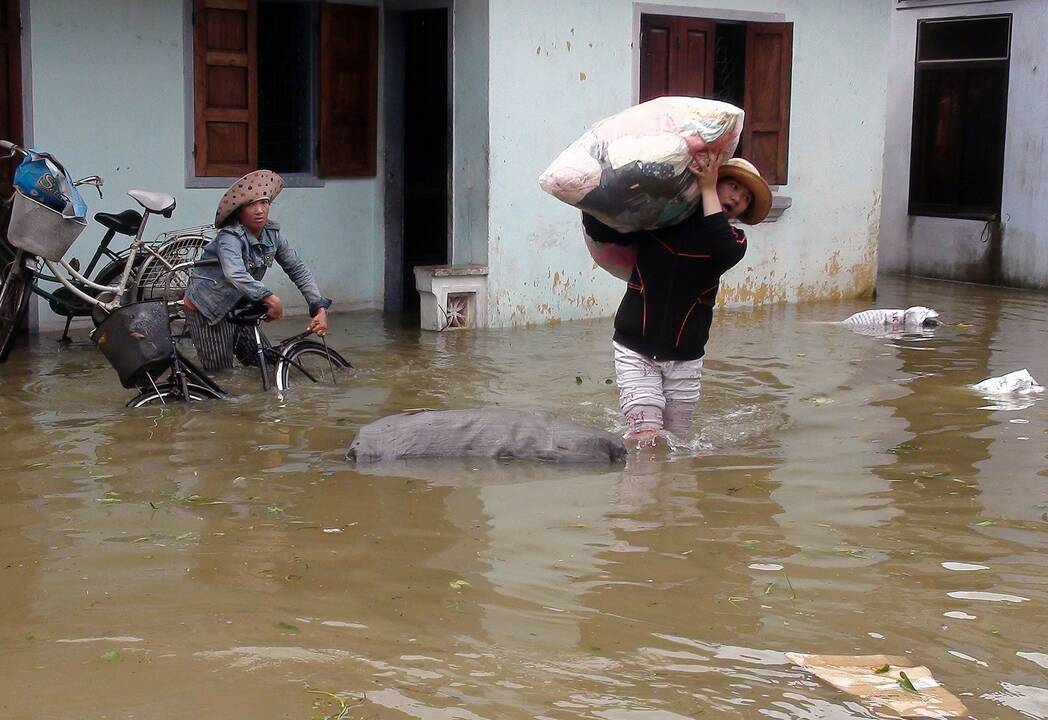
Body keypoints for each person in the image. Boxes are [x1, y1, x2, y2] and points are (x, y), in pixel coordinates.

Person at [581, 152, 771, 446]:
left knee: (678, 444)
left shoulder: (735, 242)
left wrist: (708, 189)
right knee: (645, 440)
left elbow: (718, 246)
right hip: (635, 349)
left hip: (685, 359)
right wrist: (592, 192)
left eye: (745, 198)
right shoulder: (662, 220)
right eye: (733, 187)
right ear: (716, 179)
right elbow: (602, 230)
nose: (737, 198)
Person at [183, 170, 331, 370]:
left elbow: (297, 269)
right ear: (238, 211)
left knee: (264, 363)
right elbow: (235, 273)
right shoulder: (230, 237)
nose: (259, 210)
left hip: (239, 304)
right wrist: (270, 298)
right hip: (209, 309)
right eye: (251, 205)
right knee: (222, 375)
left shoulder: (272, 234)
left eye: (264, 203)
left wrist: (318, 307)